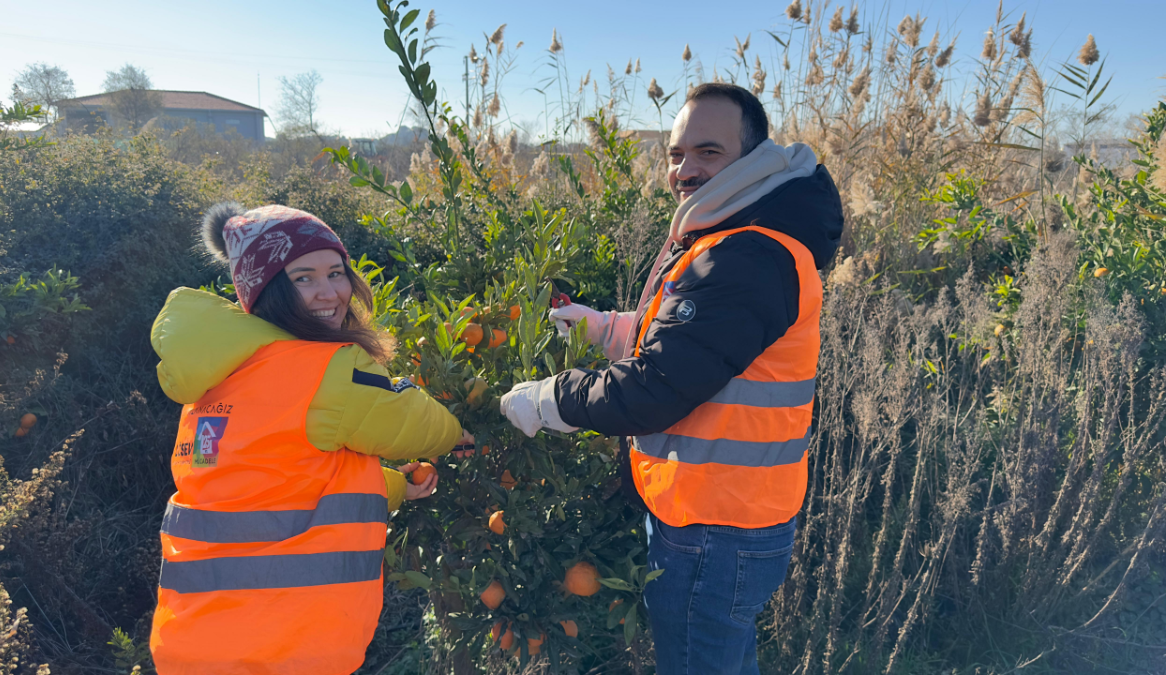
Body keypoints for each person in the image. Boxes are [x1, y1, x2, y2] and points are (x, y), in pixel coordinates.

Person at [500, 83, 843, 674]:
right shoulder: (733, 239)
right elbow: (696, 347)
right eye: (677, 154)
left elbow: (657, 386)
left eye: (708, 152)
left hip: (716, 528)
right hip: (726, 516)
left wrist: (551, 398)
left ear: (754, 156)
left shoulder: (747, 254)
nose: (685, 169)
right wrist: (606, 329)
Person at [149, 203, 470, 674]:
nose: (329, 292)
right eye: (303, 278)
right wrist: (457, 431)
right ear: (268, 291)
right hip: (279, 648)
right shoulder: (321, 370)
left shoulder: (212, 388)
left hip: (191, 641)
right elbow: (412, 421)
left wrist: (396, 487)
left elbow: (271, 487)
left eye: (336, 273)